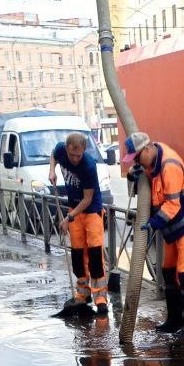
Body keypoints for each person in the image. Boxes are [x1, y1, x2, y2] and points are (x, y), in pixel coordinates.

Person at [123, 131, 184, 337]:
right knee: (168, 271)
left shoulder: (169, 166)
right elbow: (140, 172)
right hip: (171, 229)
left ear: (147, 149)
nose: (138, 161)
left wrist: (152, 224)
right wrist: (133, 172)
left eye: (139, 157)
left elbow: (173, 205)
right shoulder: (151, 161)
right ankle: (174, 320)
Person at [49, 132, 107, 314]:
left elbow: (87, 199)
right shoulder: (60, 150)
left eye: (78, 155)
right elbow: (54, 155)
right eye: (72, 155)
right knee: (77, 253)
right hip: (74, 209)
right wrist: (52, 170)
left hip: (91, 211)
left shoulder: (88, 166)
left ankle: (100, 297)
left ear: (84, 150)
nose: (75, 159)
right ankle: (83, 293)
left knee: (95, 252)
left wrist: (68, 218)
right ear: (66, 149)